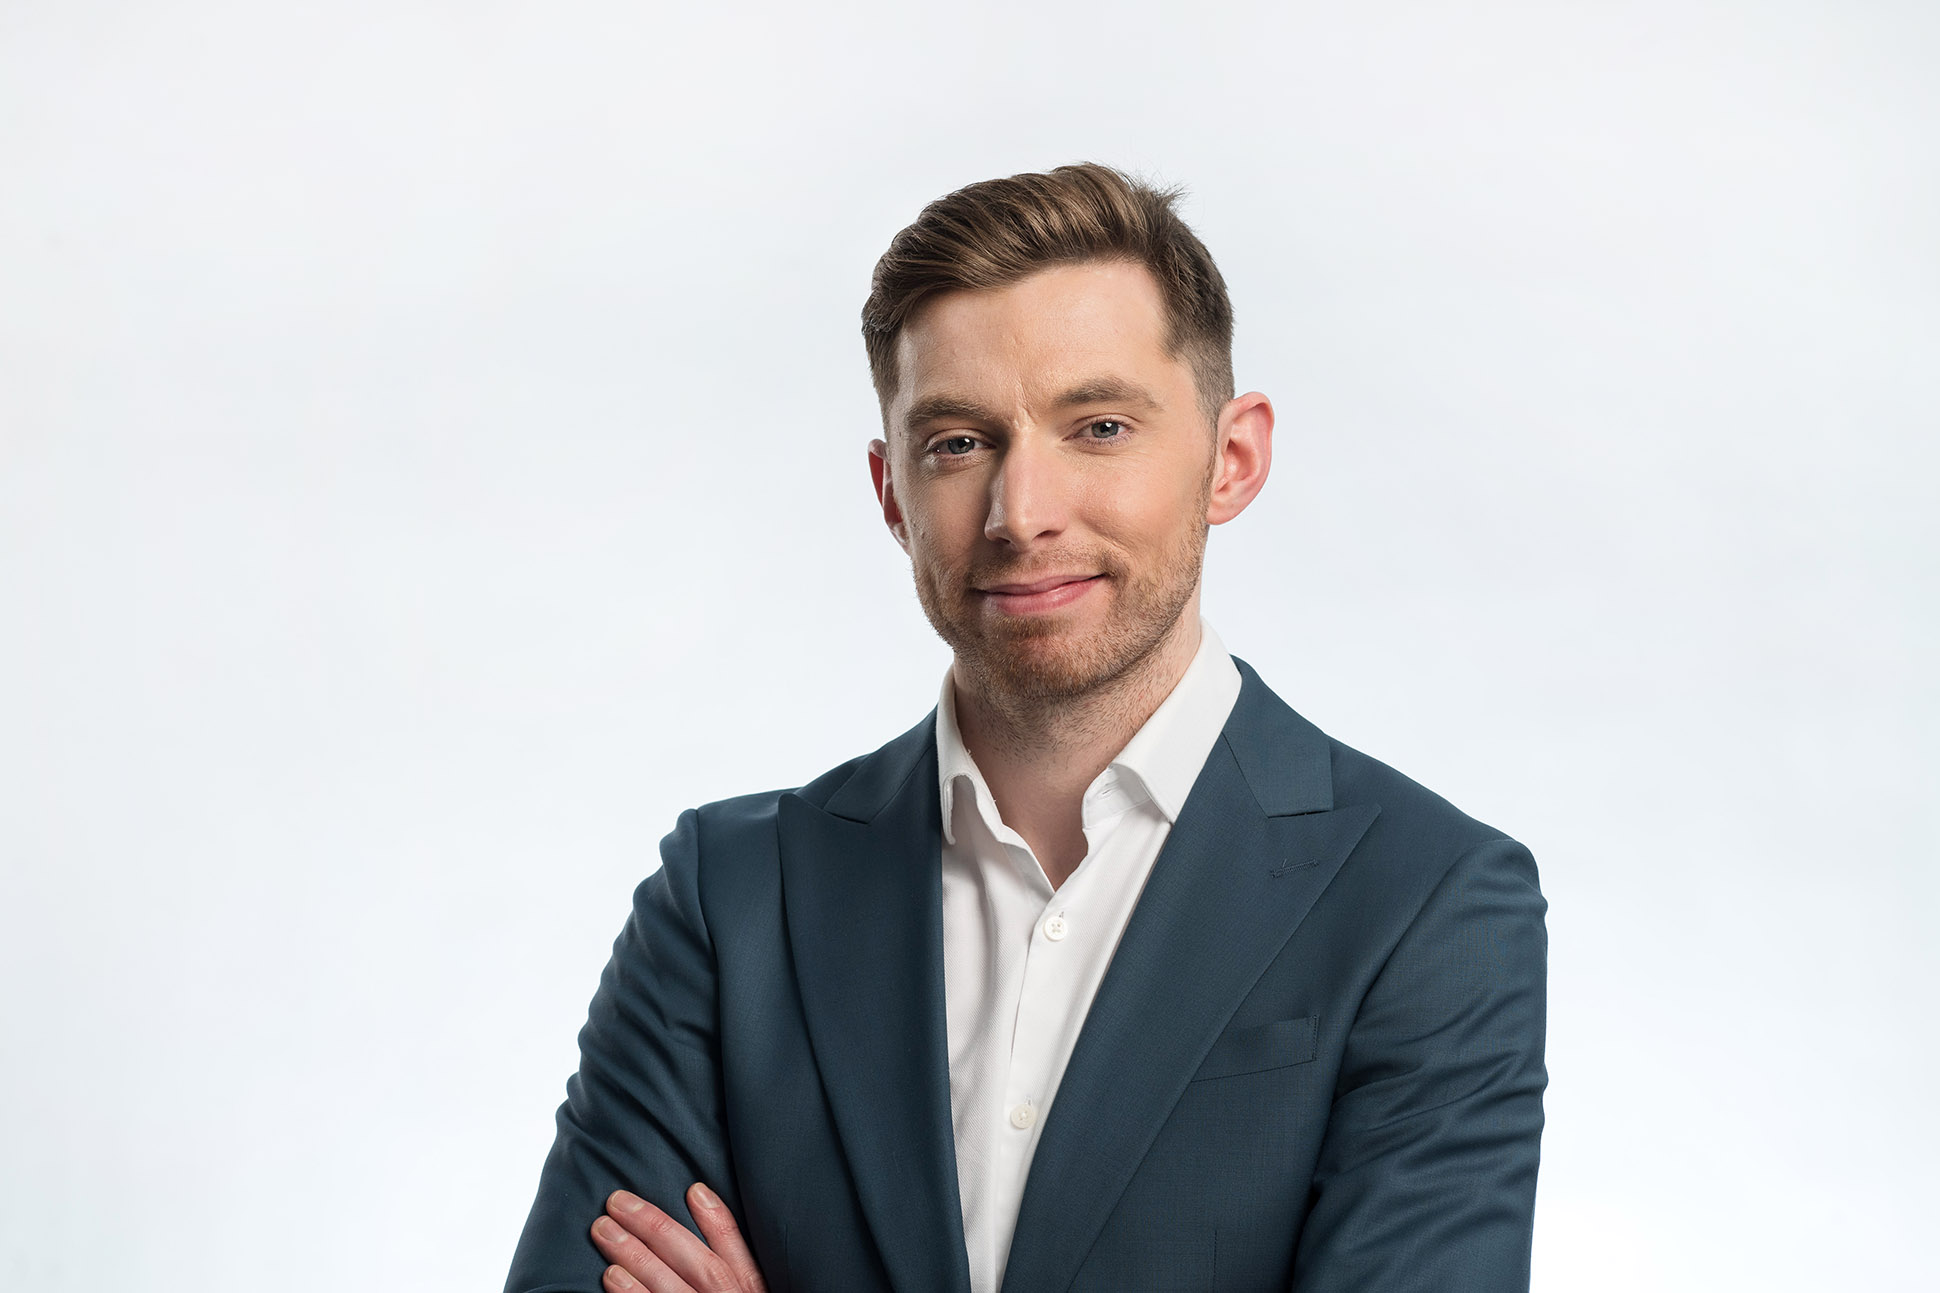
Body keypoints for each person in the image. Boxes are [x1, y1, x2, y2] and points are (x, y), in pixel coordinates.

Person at [505, 163, 1548, 1293]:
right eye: (957, 442)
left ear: (1229, 458)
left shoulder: (1423, 902)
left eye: (1097, 426)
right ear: (890, 490)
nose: (1021, 514)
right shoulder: (727, 902)